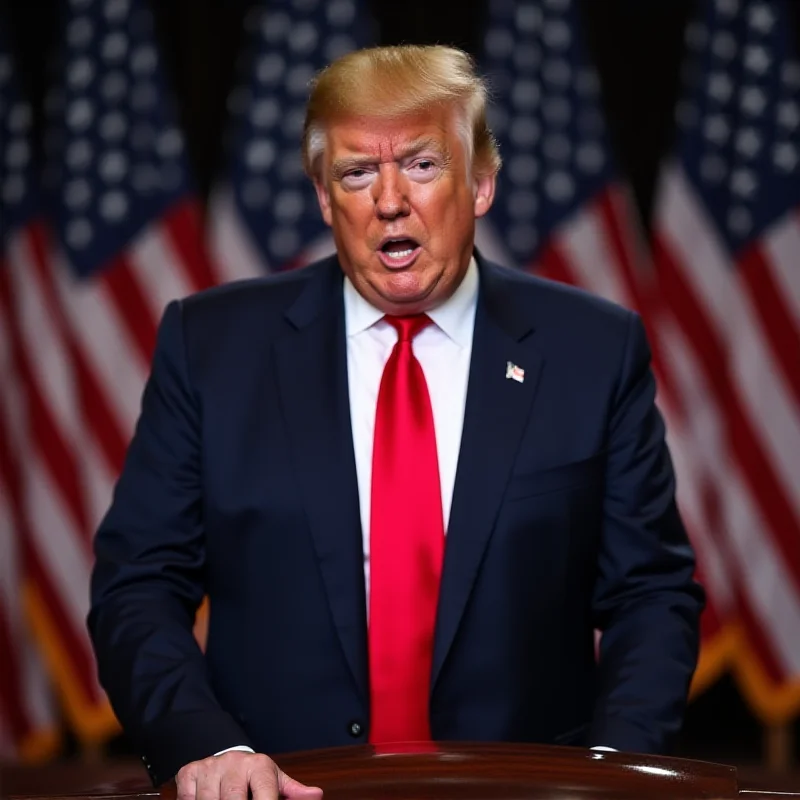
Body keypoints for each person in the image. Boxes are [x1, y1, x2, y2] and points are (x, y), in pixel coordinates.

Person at [88, 44, 704, 800]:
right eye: (356, 173)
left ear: (480, 182)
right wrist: (209, 748)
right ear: (323, 196)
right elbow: (138, 584)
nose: (388, 200)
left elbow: (650, 594)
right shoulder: (212, 348)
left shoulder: (592, 351)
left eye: (420, 164)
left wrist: (614, 774)